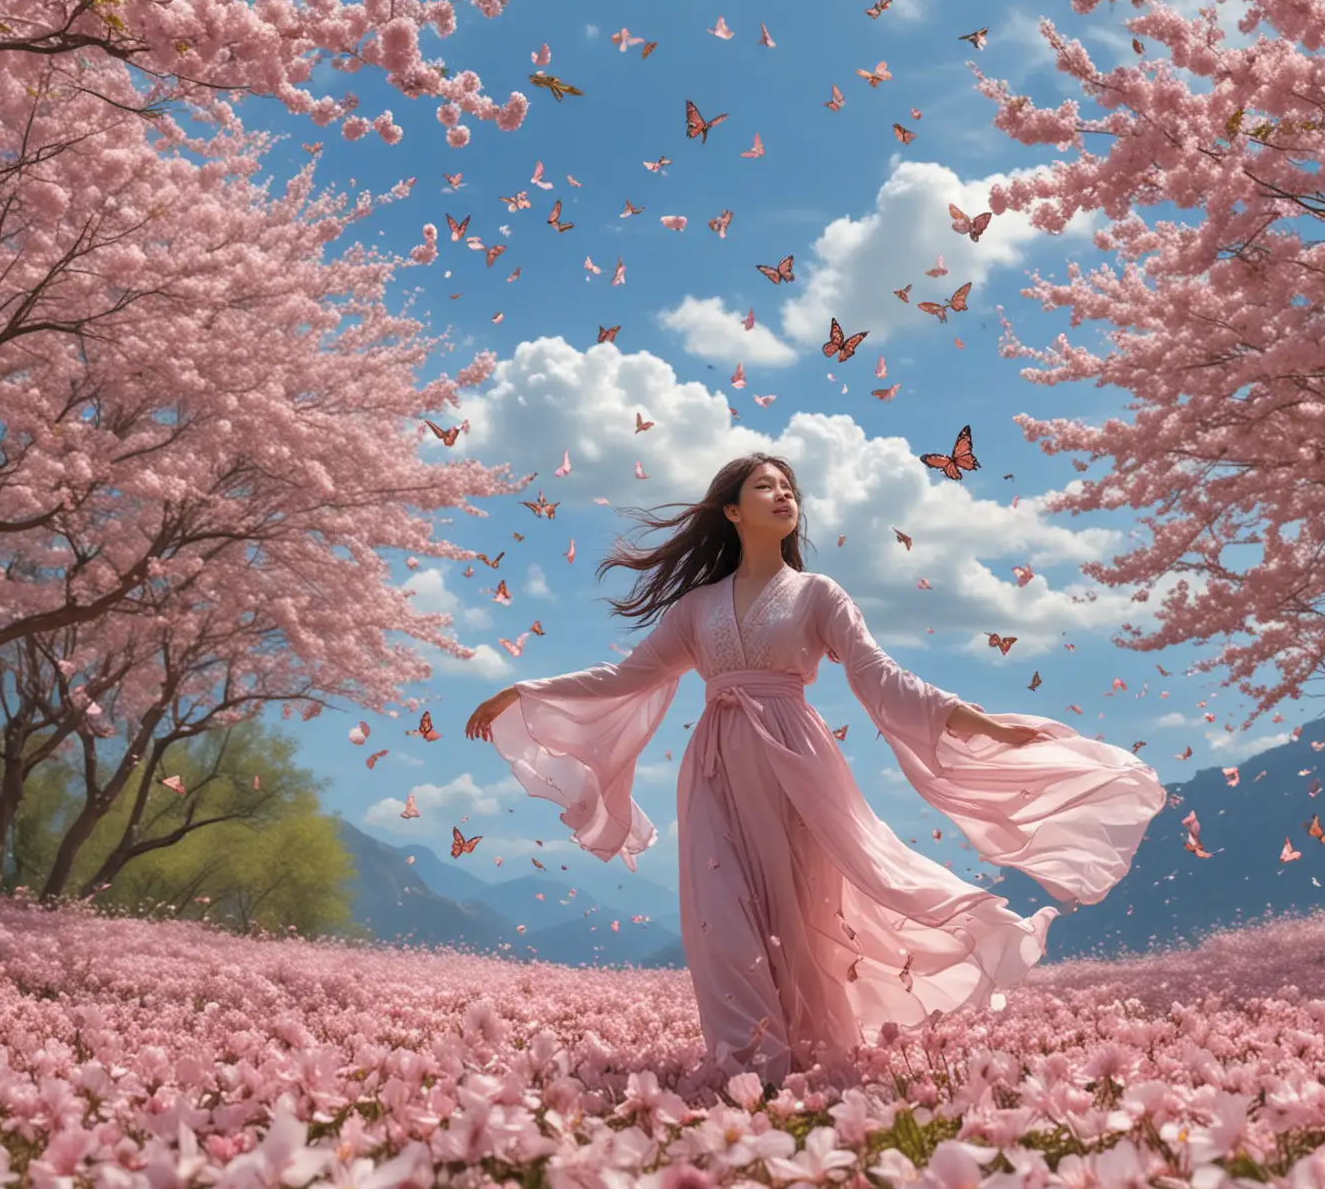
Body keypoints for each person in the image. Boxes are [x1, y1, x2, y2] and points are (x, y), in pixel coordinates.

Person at [465, 453, 1163, 1087]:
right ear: (732, 511)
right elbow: (625, 676)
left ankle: (799, 1061)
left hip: (798, 764)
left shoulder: (819, 595)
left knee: (802, 914)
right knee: (721, 915)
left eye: (789, 488)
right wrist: (527, 692)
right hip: (714, 766)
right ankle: (745, 1067)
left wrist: (979, 721)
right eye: (764, 486)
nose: (782, 495)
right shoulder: (695, 608)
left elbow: (880, 680)